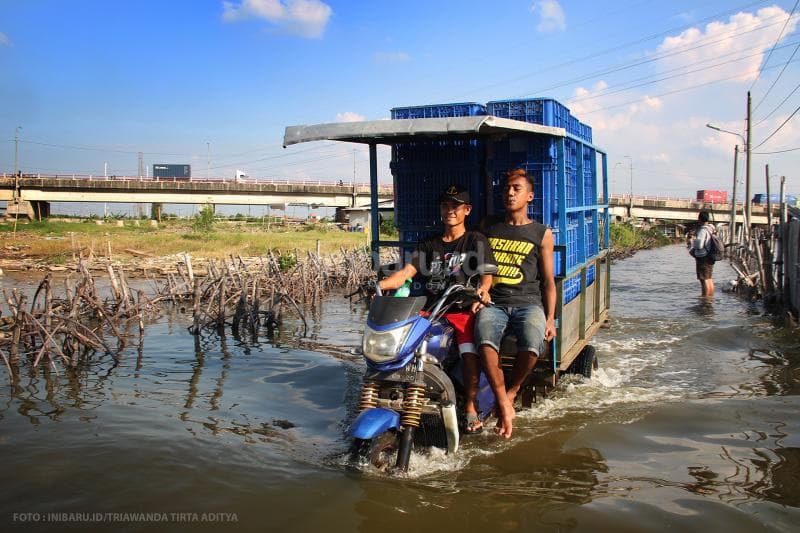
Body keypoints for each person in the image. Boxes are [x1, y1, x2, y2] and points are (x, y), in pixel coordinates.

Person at [377, 184, 494, 434]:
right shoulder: (428, 244)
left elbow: (487, 276)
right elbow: (405, 274)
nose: (450, 210)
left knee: (469, 352)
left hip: (460, 310)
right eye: (445, 206)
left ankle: (471, 406)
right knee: (399, 344)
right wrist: (379, 284)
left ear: (467, 210)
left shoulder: (475, 240)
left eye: (455, 206)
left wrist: (483, 290)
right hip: (430, 312)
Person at [475, 168, 556, 439]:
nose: (510, 193)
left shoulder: (541, 233)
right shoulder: (488, 226)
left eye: (516, 189)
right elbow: (476, 262)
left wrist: (550, 318)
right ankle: (503, 402)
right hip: (495, 301)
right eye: (506, 189)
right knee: (484, 337)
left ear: (530, 196)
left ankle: (513, 390)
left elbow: (549, 282)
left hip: (529, 302)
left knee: (534, 341)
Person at [691, 210, 715, 296]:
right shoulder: (711, 228)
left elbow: (699, 245)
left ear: (699, 219)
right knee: (709, 278)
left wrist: (693, 241)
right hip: (710, 255)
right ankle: (710, 297)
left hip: (703, 257)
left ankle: (705, 298)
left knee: (703, 279)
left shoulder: (702, 230)